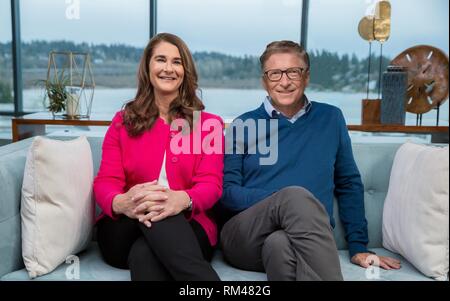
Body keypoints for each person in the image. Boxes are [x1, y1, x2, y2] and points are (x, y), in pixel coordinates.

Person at [218, 40, 401, 281]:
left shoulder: (331, 118)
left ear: (306, 77)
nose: (284, 82)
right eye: (275, 74)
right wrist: (281, 200)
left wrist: (358, 246)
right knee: (294, 196)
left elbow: (348, 184)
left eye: (293, 72)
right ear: (264, 81)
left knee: (280, 245)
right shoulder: (243, 125)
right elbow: (227, 193)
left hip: (302, 238)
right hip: (245, 236)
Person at [93, 33, 224, 281]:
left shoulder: (208, 125)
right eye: (161, 59)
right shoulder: (123, 121)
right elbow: (105, 181)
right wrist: (122, 202)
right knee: (152, 204)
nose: (168, 68)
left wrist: (182, 199)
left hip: (187, 226)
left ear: (186, 71)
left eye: (177, 62)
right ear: (148, 67)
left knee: (146, 255)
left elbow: (211, 185)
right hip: (125, 227)